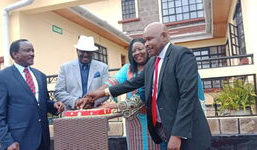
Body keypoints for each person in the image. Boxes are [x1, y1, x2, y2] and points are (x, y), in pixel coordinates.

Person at [78, 22, 211, 150]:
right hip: (165, 130)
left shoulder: (181, 55)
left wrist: (177, 135)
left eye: (149, 40)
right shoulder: (153, 62)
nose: (146, 44)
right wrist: (101, 93)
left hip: (187, 134)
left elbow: (187, 97)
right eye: (144, 41)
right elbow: (132, 83)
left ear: (164, 36)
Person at [0, 39, 64, 150]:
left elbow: (42, 102)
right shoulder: (2, 78)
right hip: (19, 142)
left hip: (43, 140)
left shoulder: (40, 76)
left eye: (33, 50)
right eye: (27, 51)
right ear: (15, 54)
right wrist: (7, 142)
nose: (32, 54)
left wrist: (53, 105)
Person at [99, 38, 161, 150]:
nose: (137, 53)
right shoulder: (127, 68)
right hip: (132, 118)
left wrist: (114, 105)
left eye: (140, 49)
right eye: (133, 51)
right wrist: (96, 94)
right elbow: (113, 82)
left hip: (152, 117)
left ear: (147, 49)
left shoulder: (155, 66)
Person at [54, 35, 109, 110]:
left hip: (96, 110)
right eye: (82, 51)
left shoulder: (103, 67)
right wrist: (76, 102)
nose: (85, 54)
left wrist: (92, 102)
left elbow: (106, 91)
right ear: (77, 50)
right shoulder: (65, 68)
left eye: (88, 51)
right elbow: (59, 92)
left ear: (93, 52)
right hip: (71, 112)